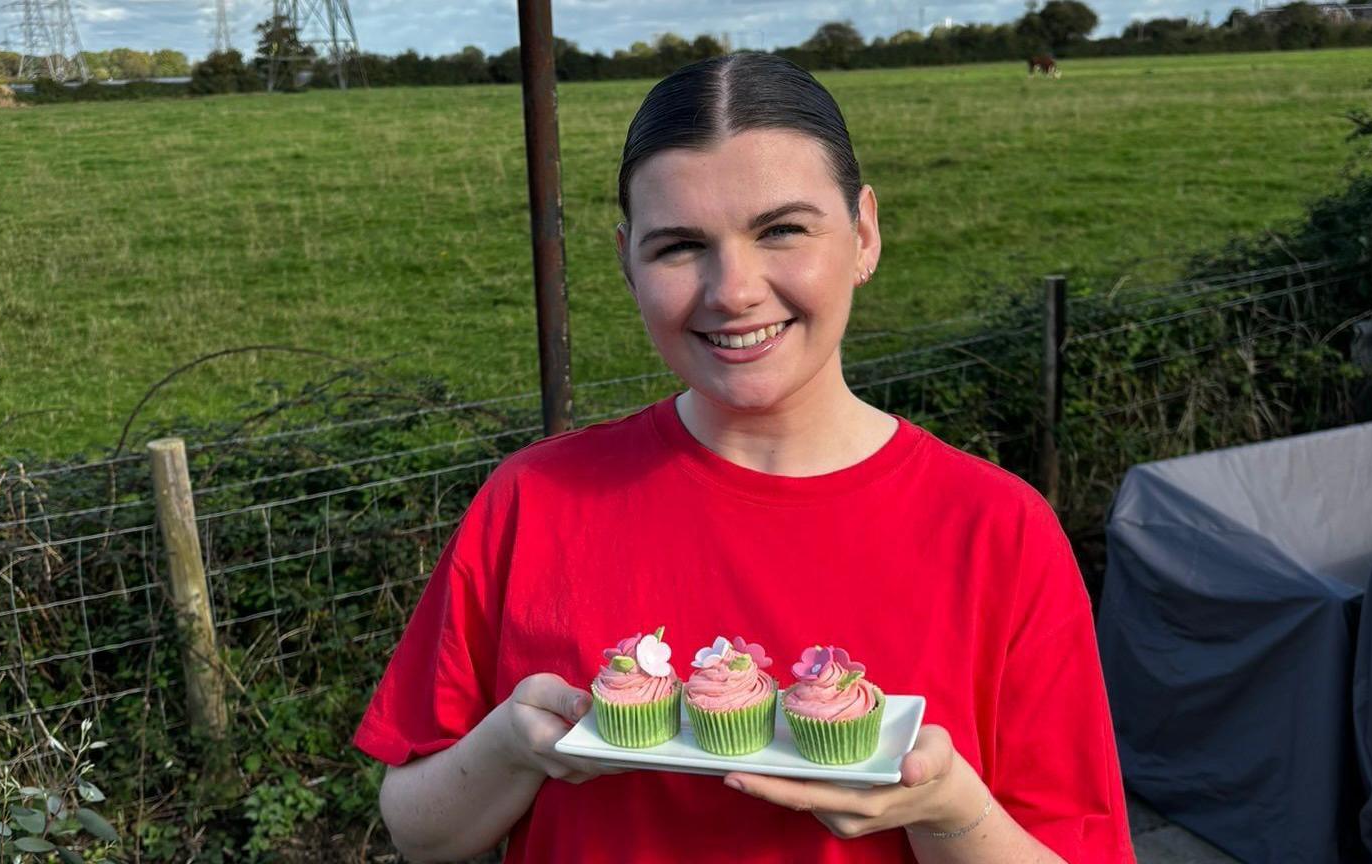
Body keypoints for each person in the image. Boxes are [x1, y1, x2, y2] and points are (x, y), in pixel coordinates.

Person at [355, 52, 1134, 863]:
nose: (733, 290)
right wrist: (512, 747)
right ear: (626, 261)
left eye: (782, 230)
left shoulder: (998, 531)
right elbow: (419, 830)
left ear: (864, 233)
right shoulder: (535, 501)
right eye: (679, 246)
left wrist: (947, 809)